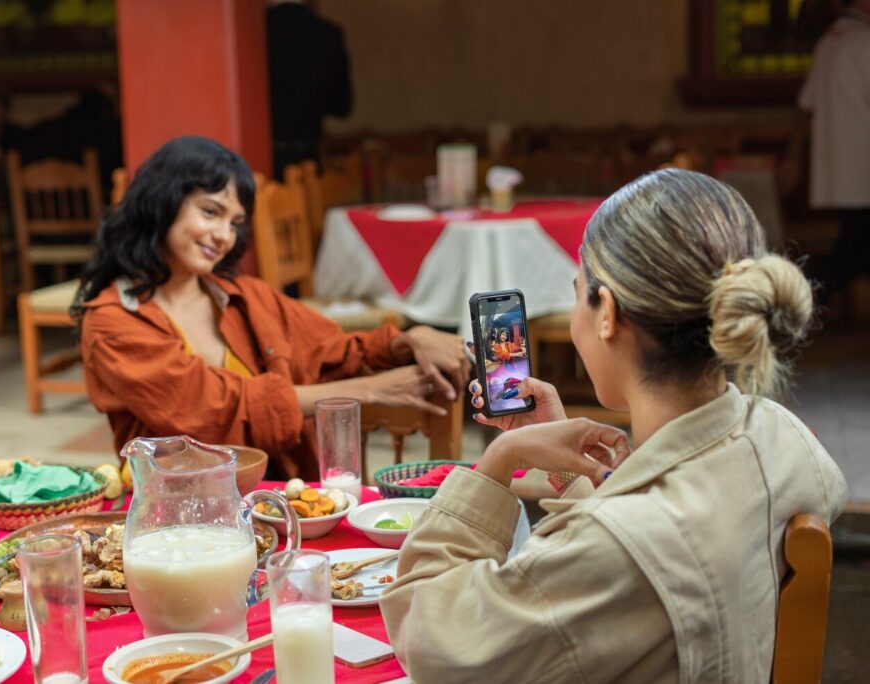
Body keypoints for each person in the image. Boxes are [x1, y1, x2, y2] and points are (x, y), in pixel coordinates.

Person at [380, 169, 848, 682]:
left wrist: (496, 463)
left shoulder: (613, 551)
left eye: (575, 289)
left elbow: (429, 639)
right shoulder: (783, 438)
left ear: (606, 312)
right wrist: (564, 470)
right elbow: (641, 559)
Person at [73, 136, 466, 479]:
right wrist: (369, 390)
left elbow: (335, 351)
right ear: (161, 203)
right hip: (175, 517)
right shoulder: (112, 320)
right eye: (210, 212)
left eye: (235, 223)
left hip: (277, 502)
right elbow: (215, 409)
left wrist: (410, 340)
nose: (223, 236)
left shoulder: (243, 296)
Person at [784, 0, 870, 304]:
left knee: (854, 249)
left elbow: (804, 107)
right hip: (862, 171)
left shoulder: (828, 42)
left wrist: (793, 157)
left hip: (842, 171)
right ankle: (796, 302)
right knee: (852, 255)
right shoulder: (863, 42)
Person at [266, 0, 352, 178]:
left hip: (264, 163)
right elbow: (343, 106)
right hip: (311, 157)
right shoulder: (329, 33)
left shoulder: (256, 29)